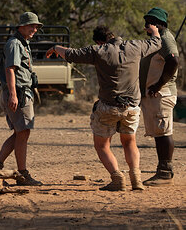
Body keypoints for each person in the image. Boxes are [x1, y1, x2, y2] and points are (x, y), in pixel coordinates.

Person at [46, 25, 161, 191]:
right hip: (132, 107)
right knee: (129, 142)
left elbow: (71, 54)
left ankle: (117, 178)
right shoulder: (136, 46)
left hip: (108, 107)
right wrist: (154, 30)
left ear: (99, 41)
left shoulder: (98, 51)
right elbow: (156, 43)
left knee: (102, 145)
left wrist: (56, 47)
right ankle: (136, 179)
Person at [0, 12, 43, 186]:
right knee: (23, 132)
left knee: (21, 132)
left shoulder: (22, 43)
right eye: (31, 26)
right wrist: (13, 94)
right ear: (21, 26)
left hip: (21, 92)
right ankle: (22, 174)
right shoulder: (14, 44)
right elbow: (10, 70)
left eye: (36, 26)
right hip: (19, 93)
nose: (34, 29)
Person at [140, 7, 179, 186]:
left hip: (161, 94)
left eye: (150, 22)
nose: (146, 25)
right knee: (160, 132)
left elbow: (173, 61)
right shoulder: (158, 39)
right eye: (146, 21)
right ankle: (163, 170)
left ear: (159, 23)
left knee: (164, 132)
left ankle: (165, 173)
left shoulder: (165, 39)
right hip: (156, 95)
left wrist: (158, 84)